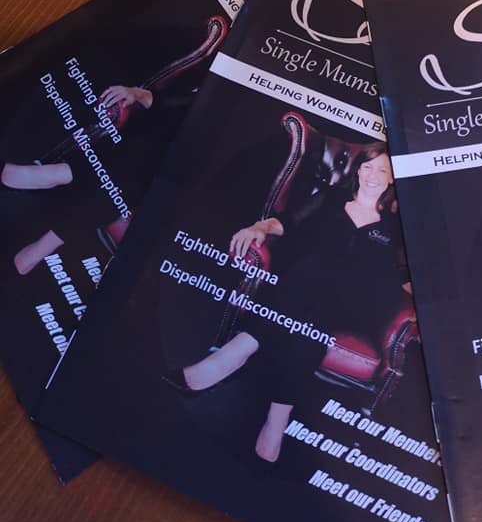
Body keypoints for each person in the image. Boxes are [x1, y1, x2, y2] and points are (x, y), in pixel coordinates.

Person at [164, 142, 412, 463]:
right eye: (368, 166)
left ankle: (234, 354)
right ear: (358, 169)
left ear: (391, 178)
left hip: (356, 306)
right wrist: (258, 227)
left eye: (382, 170)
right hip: (311, 298)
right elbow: (288, 221)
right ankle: (275, 424)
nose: (373, 175)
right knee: (311, 325)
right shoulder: (333, 198)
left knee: (316, 274)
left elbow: (404, 276)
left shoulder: (396, 227)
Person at [4, 84, 153, 275]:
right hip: (140, 148)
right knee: (126, 169)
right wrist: (135, 93)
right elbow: (161, 102)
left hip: (152, 187)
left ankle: (52, 176)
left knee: (121, 188)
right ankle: (40, 247)